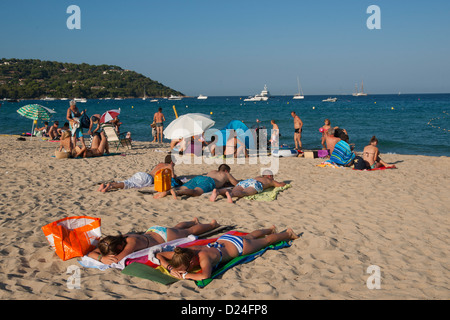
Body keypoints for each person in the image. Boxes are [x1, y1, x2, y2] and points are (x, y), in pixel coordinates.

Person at [156, 226, 299, 280]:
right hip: (225, 239)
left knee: (266, 241)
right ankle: (270, 228)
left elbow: (205, 275)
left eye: (185, 268)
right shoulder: (183, 253)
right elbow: (159, 255)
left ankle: (287, 233)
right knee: (250, 235)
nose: (181, 271)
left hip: (240, 246)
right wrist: (171, 268)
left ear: (192, 263)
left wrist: (187, 275)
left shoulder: (203, 258)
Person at [87, 218, 220, 265]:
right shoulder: (117, 240)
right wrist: (99, 255)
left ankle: (212, 224)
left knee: (189, 232)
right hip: (153, 231)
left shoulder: (131, 243)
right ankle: (193, 220)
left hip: (165, 237)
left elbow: (117, 259)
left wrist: (102, 259)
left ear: (120, 246)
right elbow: (91, 252)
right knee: (177, 228)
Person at [154, 164, 238, 199]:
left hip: (199, 178)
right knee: (196, 192)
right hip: (209, 182)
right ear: (226, 171)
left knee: (182, 187)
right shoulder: (226, 174)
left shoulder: (212, 171)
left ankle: (168, 192)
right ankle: (178, 193)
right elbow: (236, 183)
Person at [97, 155, 176, 192]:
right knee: (129, 184)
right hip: (147, 179)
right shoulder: (169, 166)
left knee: (127, 181)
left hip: (142, 174)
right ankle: (109, 187)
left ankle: (107, 184)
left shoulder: (160, 164)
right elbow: (173, 178)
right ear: (172, 162)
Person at [209, 169, 286, 203]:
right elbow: (280, 185)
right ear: (269, 175)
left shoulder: (259, 177)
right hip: (255, 184)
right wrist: (283, 183)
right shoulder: (270, 180)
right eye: (272, 176)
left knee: (235, 189)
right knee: (244, 192)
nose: (273, 177)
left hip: (247, 181)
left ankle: (218, 191)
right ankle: (231, 194)